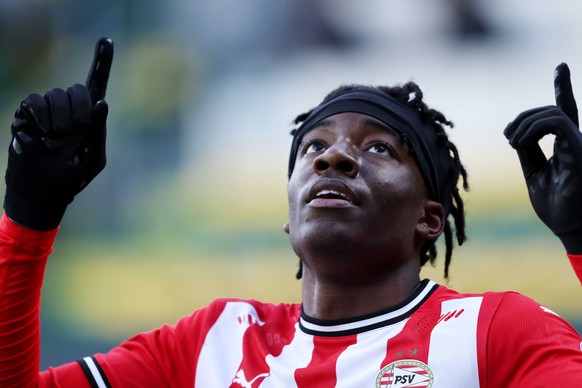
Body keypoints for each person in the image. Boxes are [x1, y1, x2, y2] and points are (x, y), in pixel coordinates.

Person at [0, 37, 581, 387]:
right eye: (313, 147)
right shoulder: (212, 344)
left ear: (428, 219)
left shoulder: (495, 333)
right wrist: (28, 218)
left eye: (378, 148)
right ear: (288, 217)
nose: (334, 157)